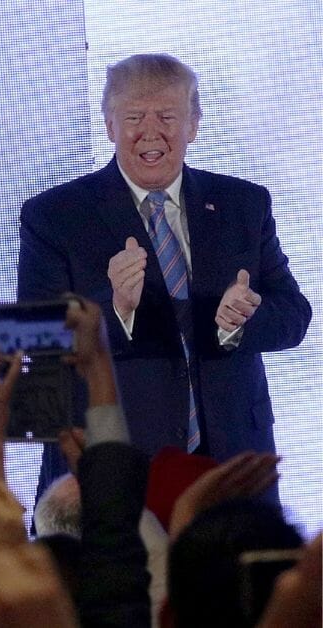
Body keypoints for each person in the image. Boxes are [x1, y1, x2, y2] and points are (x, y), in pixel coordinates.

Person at [18, 53, 311, 473]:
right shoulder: (55, 217)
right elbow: (35, 339)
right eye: (134, 116)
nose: (150, 132)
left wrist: (243, 319)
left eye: (168, 117)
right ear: (109, 125)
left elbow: (294, 316)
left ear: (193, 125)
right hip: (111, 471)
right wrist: (114, 307)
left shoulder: (244, 205)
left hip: (232, 469)